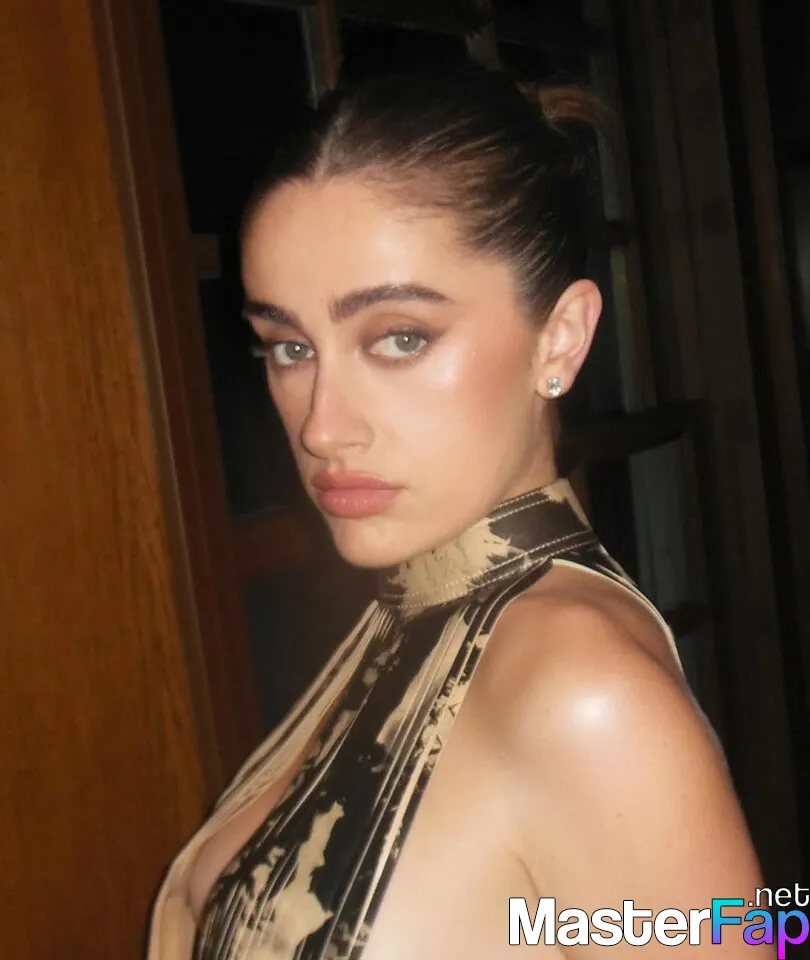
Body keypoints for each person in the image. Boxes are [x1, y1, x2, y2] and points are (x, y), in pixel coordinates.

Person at [147, 61, 766, 960]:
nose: (322, 427)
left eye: (400, 338)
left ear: (560, 339)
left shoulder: (585, 695)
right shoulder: (415, 614)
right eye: (287, 347)